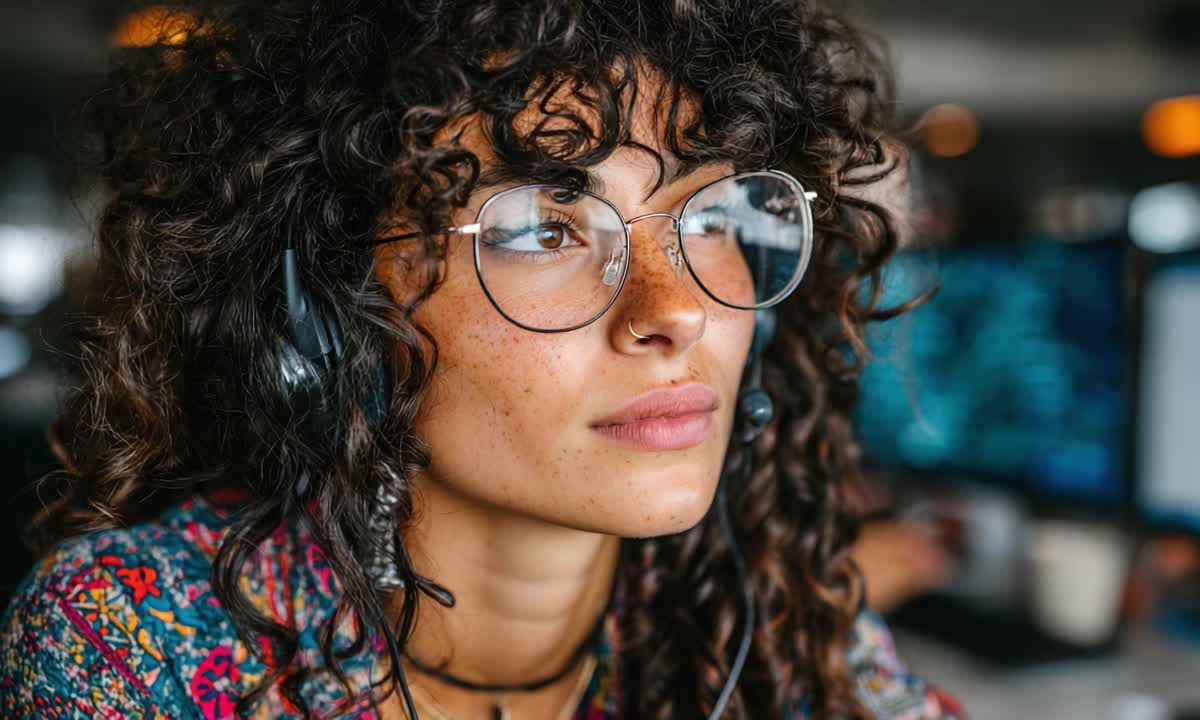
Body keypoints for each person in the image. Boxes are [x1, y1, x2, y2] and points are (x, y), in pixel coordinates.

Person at [0, 1, 965, 718]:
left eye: (712, 215)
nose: (675, 311)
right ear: (330, 309)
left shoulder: (781, 619)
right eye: (544, 231)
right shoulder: (134, 638)